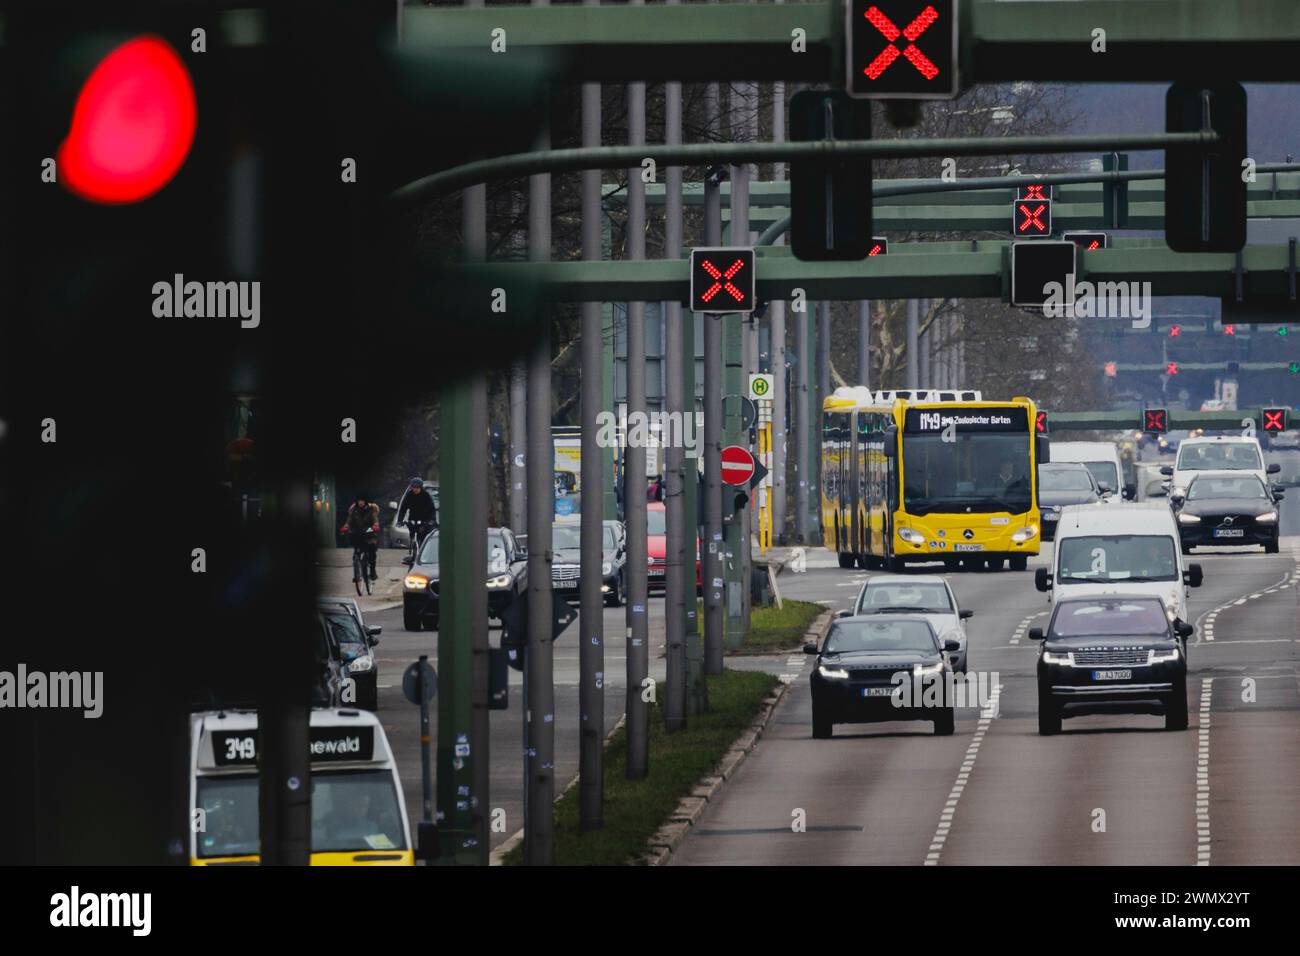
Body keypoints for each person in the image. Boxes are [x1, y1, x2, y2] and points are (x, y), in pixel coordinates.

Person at [343, 493, 380, 582]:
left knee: (371, 549)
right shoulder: (354, 510)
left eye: (362, 501)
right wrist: (346, 526)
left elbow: (375, 519)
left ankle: (372, 571)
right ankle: (357, 573)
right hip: (358, 533)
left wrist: (375, 525)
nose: (361, 502)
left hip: (369, 533)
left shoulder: (371, 510)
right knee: (356, 552)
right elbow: (349, 520)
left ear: (365, 501)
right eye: (359, 501)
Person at [396, 477, 438, 553]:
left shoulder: (426, 495)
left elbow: (432, 510)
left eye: (417, 488)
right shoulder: (409, 495)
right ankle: (412, 547)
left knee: (423, 535)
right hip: (413, 518)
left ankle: (423, 551)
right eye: (414, 487)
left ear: (421, 487)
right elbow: (403, 509)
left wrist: (432, 520)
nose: (415, 489)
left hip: (425, 519)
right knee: (411, 529)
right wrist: (400, 521)